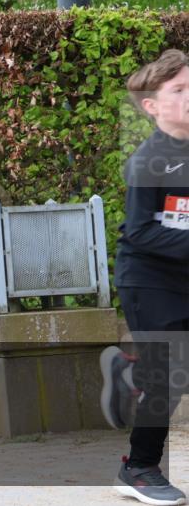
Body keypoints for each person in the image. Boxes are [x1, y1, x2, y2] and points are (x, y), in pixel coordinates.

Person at [100, 49, 189, 506]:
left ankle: (130, 372)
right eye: (179, 90)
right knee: (172, 373)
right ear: (152, 105)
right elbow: (139, 230)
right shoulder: (147, 162)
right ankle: (137, 468)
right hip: (148, 278)